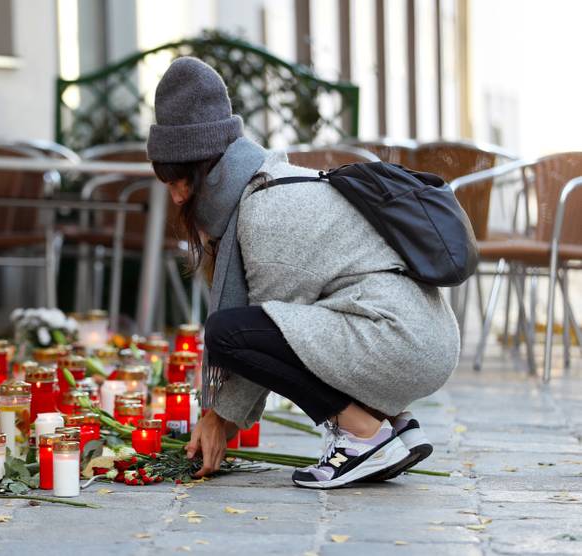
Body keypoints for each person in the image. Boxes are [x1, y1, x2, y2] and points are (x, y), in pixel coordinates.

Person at [146, 57, 460, 489]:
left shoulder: (264, 211)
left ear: (203, 171)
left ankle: (364, 435)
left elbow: (264, 336)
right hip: (412, 334)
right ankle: (388, 426)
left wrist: (219, 419)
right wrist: (221, 418)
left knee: (228, 333)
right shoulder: (263, 180)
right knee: (254, 330)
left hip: (401, 340)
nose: (177, 197)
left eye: (177, 180)